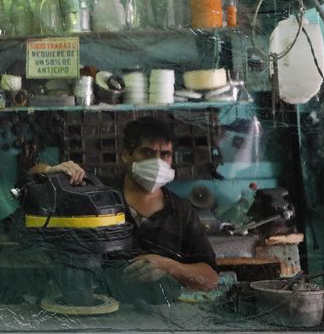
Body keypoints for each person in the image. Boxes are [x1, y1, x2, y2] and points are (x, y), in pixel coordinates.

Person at [32, 116, 219, 293]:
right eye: (147, 152)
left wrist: (170, 267)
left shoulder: (180, 211)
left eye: (165, 154)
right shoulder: (96, 193)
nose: (157, 162)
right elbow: (32, 176)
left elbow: (210, 278)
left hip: (161, 314)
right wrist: (50, 171)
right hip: (98, 309)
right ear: (125, 156)